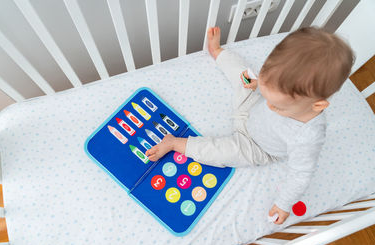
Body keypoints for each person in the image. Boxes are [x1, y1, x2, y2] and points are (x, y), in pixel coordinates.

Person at [146, 26, 354, 224]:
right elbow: (266, 90)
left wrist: (283, 205)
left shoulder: (308, 137)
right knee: (245, 76)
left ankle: (174, 143)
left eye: (279, 106)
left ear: (318, 105)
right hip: (251, 109)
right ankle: (218, 52)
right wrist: (259, 86)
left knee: (219, 154)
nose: (272, 107)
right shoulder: (279, 86)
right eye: (269, 91)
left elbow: (300, 174)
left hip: (257, 147)